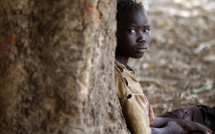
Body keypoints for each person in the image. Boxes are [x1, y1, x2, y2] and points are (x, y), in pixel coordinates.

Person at [114, 0, 213, 134]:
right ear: (112, 32)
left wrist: (186, 124)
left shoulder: (123, 70)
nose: (142, 38)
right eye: (132, 30)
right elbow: (143, 132)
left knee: (199, 115)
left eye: (146, 30)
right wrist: (172, 129)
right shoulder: (122, 80)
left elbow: (149, 120)